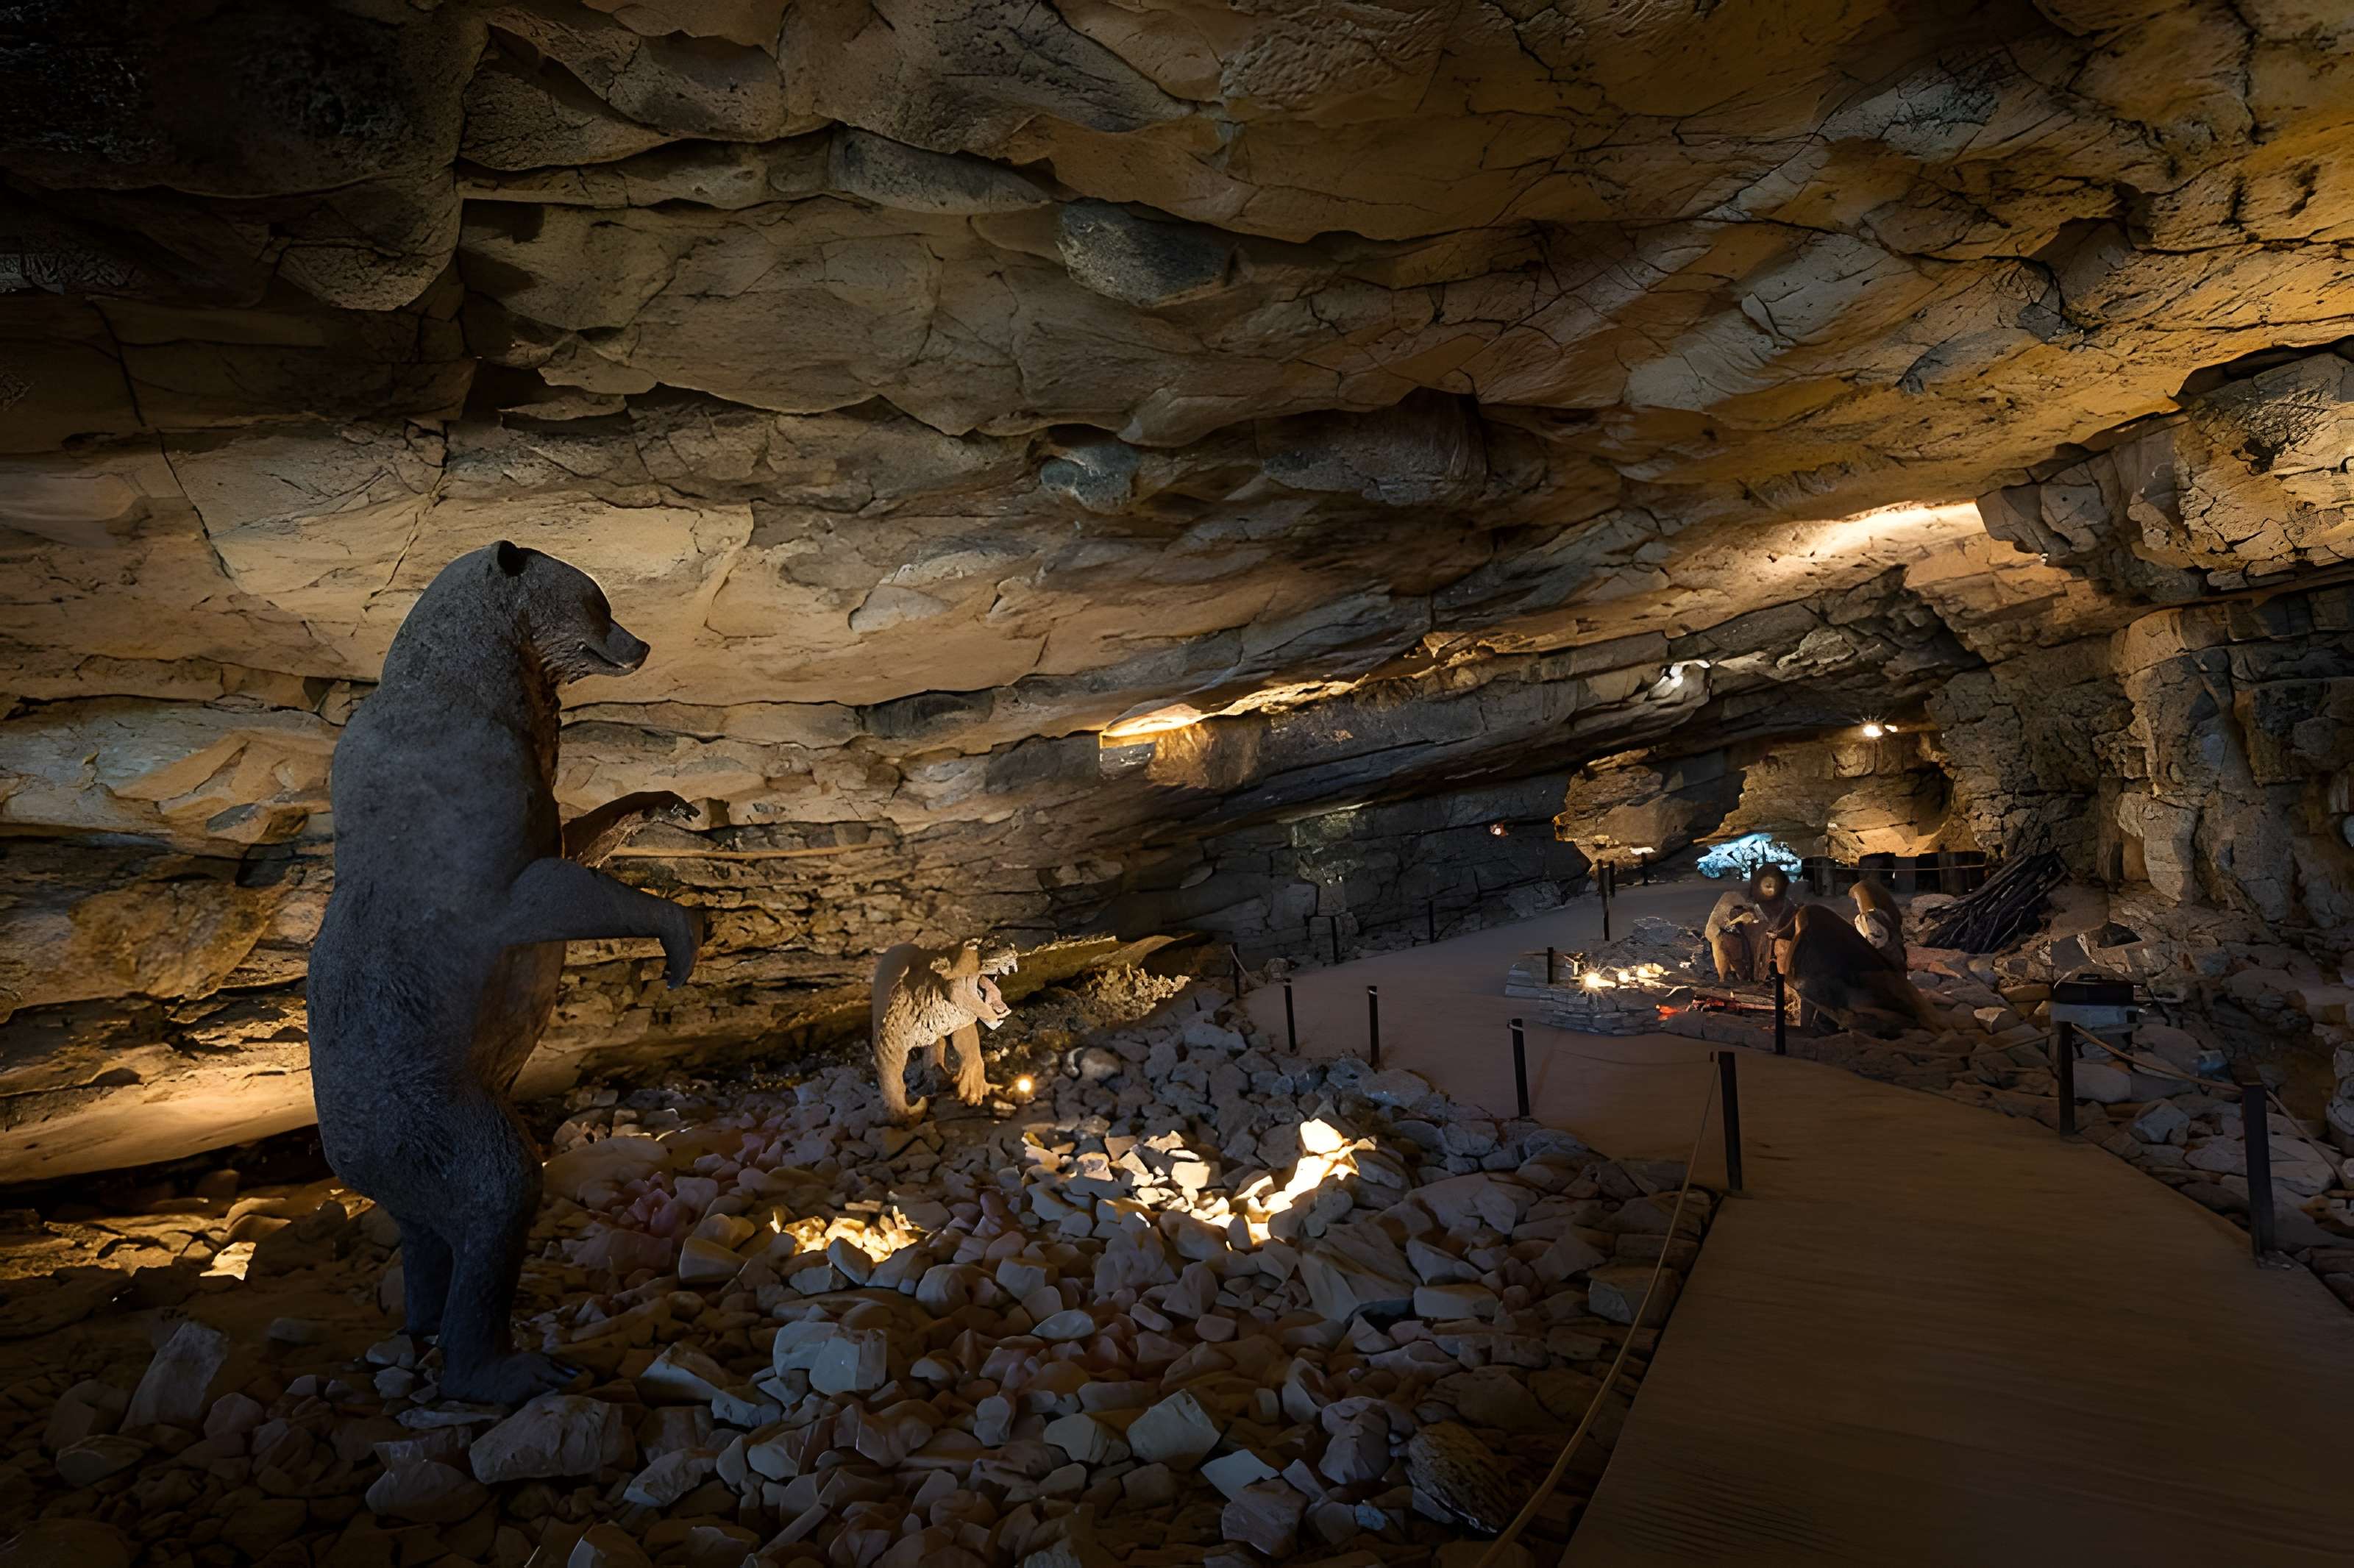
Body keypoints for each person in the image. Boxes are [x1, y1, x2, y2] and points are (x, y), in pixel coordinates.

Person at [1704, 863, 1801, 981]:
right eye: (1768, 885)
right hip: (1741, 963)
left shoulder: (1787, 908)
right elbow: (1712, 931)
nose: (1771, 889)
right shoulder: (1734, 899)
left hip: (1777, 967)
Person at [1849, 874, 1906, 968]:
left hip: (1885, 962)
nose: (1857, 904)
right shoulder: (1885, 912)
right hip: (1897, 956)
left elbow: (1875, 944)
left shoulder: (1871, 917)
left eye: (1858, 900)